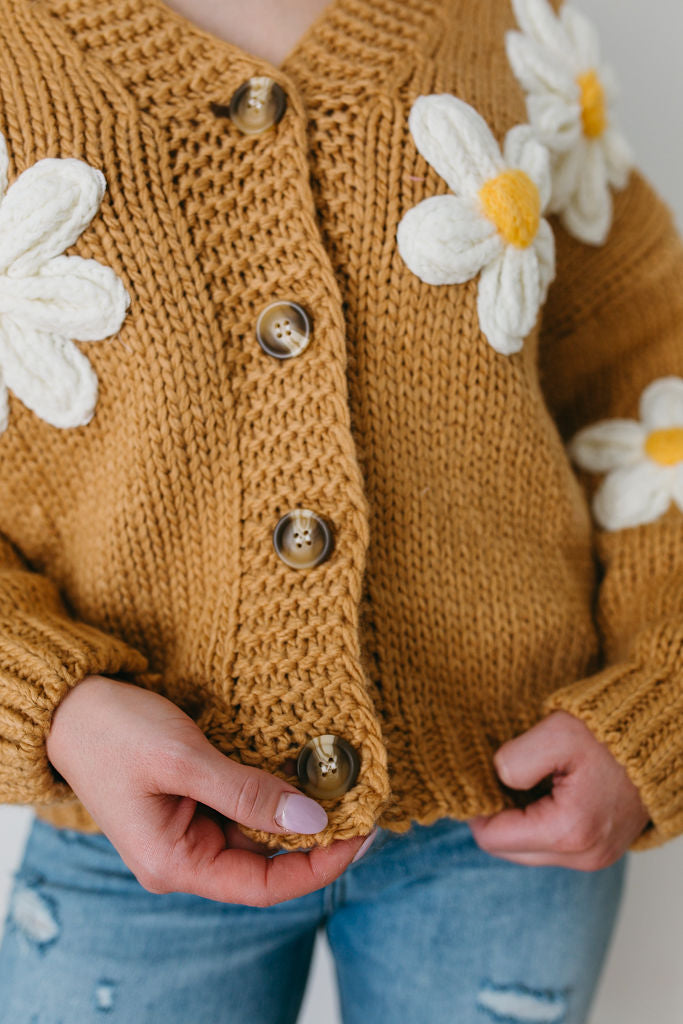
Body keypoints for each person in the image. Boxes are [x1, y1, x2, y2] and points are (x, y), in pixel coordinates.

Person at [0, 0, 680, 1020]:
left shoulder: (498, 21)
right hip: (123, 831)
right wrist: (46, 703)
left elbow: (644, 368)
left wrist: (658, 692)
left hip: (510, 816)